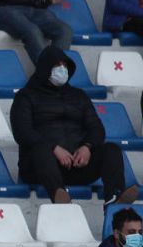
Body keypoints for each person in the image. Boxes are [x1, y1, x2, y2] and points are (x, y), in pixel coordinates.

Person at [11, 46, 137, 205]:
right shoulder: (25, 96)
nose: (62, 69)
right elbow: (23, 132)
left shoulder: (79, 96)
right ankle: (60, 197)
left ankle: (114, 198)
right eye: (57, 66)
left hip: (77, 167)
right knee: (41, 149)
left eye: (64, 65)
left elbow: (97, 128)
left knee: (111, 149)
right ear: (45, 68)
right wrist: (54, 148)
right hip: (40, 168)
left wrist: (87, 147)